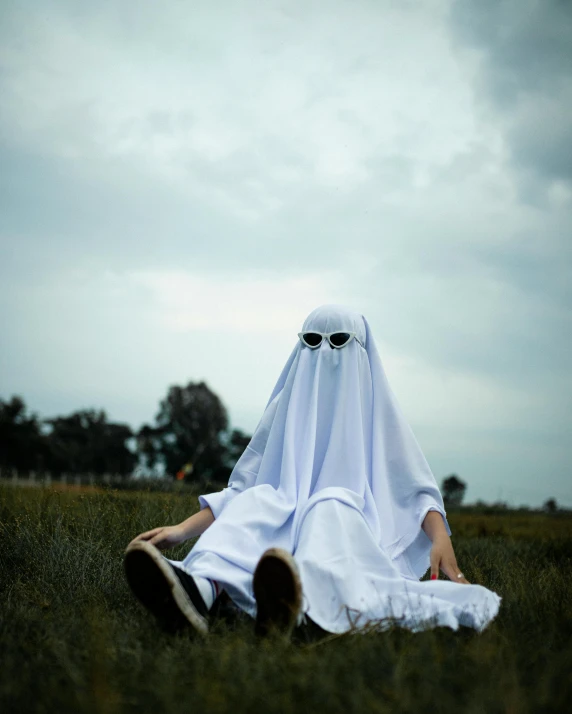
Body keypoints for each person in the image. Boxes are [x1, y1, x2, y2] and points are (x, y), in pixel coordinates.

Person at [124, 304, 502, 639]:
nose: (324, 351)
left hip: (351, 527)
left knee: (330, 505)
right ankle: (200, 590)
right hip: (281, 525)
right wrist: (181, 530)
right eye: (311, 340)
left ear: (360, 349)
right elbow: (241, 490)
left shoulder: (378, 413)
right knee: (260, 500)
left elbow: (415, 488)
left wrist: (440, 538)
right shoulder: (284, 410)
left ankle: (303, 607)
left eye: (338, 340)